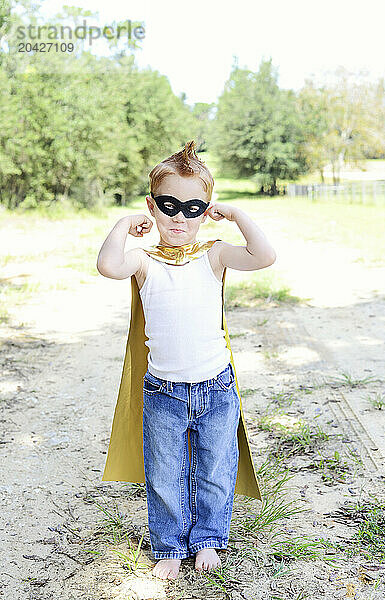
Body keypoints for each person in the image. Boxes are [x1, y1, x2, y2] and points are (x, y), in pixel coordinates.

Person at [97, 140, 276, 580]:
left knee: (216, 467)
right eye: (169, 204)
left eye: (193, 207)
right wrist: (122, 225)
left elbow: (264, 256)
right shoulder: (144, 261)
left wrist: (235, 216)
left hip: (215, 387)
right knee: (164, 473)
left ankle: (210, 538)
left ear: (206, 209)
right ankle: (170, 546)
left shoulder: (214, 255)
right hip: (163, 391)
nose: (180, 216)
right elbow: (108, 266)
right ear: (151, 207)